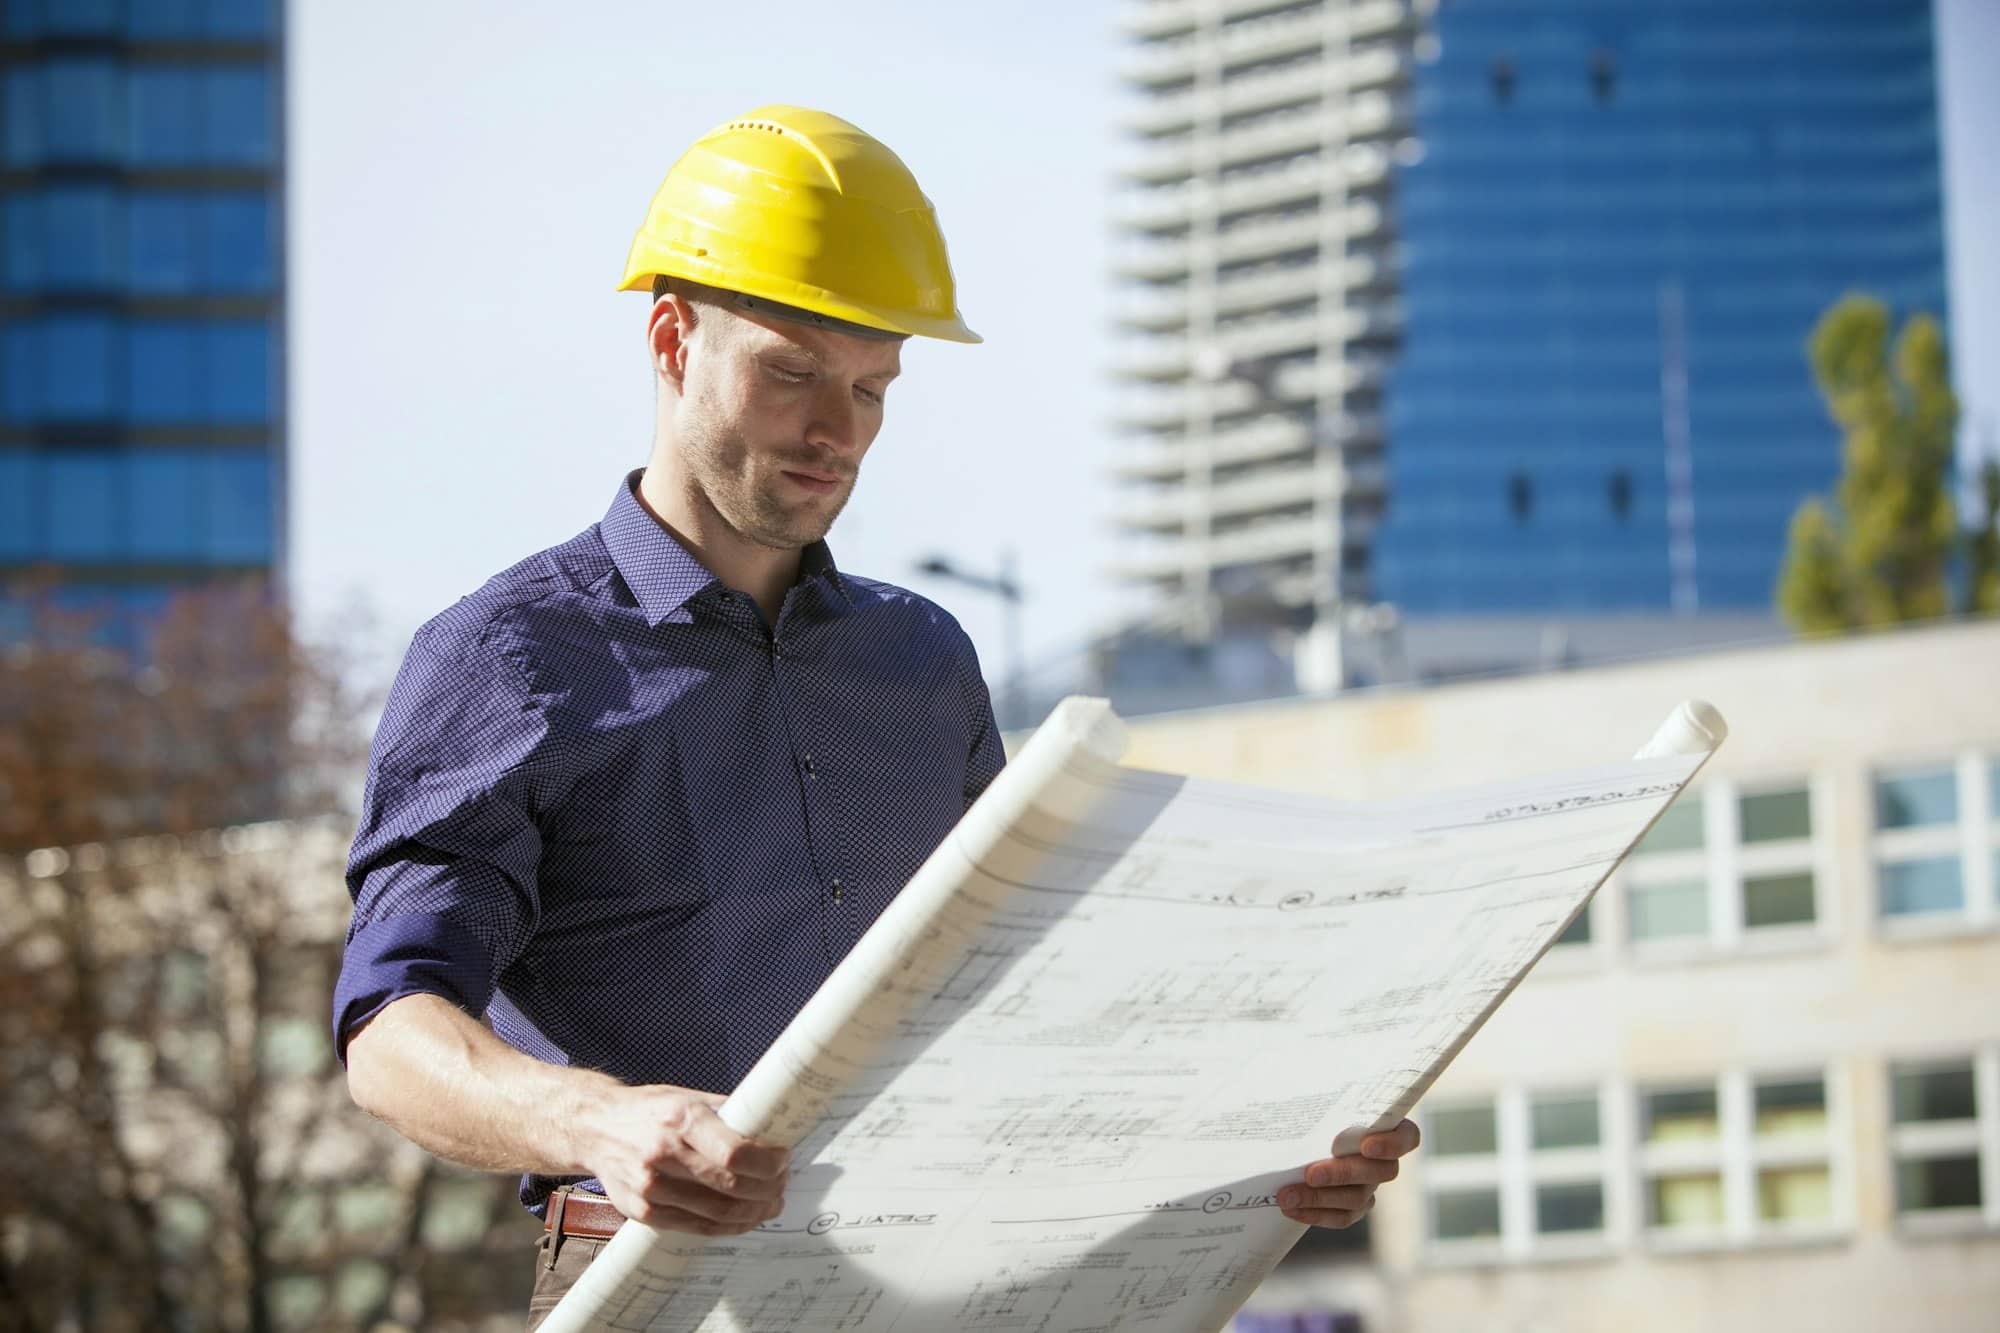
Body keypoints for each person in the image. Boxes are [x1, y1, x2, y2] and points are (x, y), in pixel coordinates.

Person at [332, 104, 1417, 1321]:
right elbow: (389, 1030)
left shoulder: (922, 660)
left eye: (871, 386)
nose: (837, 431)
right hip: (667, 1280)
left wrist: (1253, 1146)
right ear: (672, 337)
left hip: (946, 1281)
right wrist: (603, 1117)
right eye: (791, 372)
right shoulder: (509, 658)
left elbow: (1018, 1013)